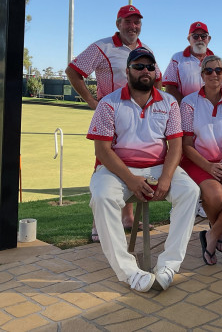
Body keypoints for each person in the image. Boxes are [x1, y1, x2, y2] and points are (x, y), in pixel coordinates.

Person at [87, 48, 200, 292]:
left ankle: (169, 265)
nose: (145, 71)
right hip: (117, 169)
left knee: (190, 191)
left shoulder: (169, 102)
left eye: (149, 67)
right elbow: (102, 151)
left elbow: (175, 145)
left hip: (159, 166)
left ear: (155, 71)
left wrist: (167, 177)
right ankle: (129, 272)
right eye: (138, 66)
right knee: (103, 196)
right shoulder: (109, 103)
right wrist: (130, 179)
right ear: (127, 71)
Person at [66, 4, 162, 242]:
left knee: (131, 164)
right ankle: (98, 223)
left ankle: (128, 218)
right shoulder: (102, 46)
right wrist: (91, 101)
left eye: (137, 22)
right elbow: (73, 71)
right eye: (128, 21)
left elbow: (157, 79)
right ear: (118, 24)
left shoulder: (145, 50)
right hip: (111, 116)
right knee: (104, 165)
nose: (133, 26)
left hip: (139, 117)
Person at [180, 56, 222, 265]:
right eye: (208, 71)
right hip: (197, 161)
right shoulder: (189, 102)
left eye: (218, 70)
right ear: (202, 75)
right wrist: (208, 166)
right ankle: (217, 232)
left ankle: (213, 233)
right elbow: (186, 145)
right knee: (216, 195)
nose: (214, 74)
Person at [163, 21, 214, 218]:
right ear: (189, 38)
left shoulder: (214, 58)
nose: (199, 39)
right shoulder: (178, 58)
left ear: (209, 39)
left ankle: (200, 200)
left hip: (208, 116)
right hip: (184, 113)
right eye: (195, 36)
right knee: (182, 154)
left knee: (204, 152)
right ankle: (180, 200)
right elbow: (170, 86)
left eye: (203, 36)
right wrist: (186, 106)